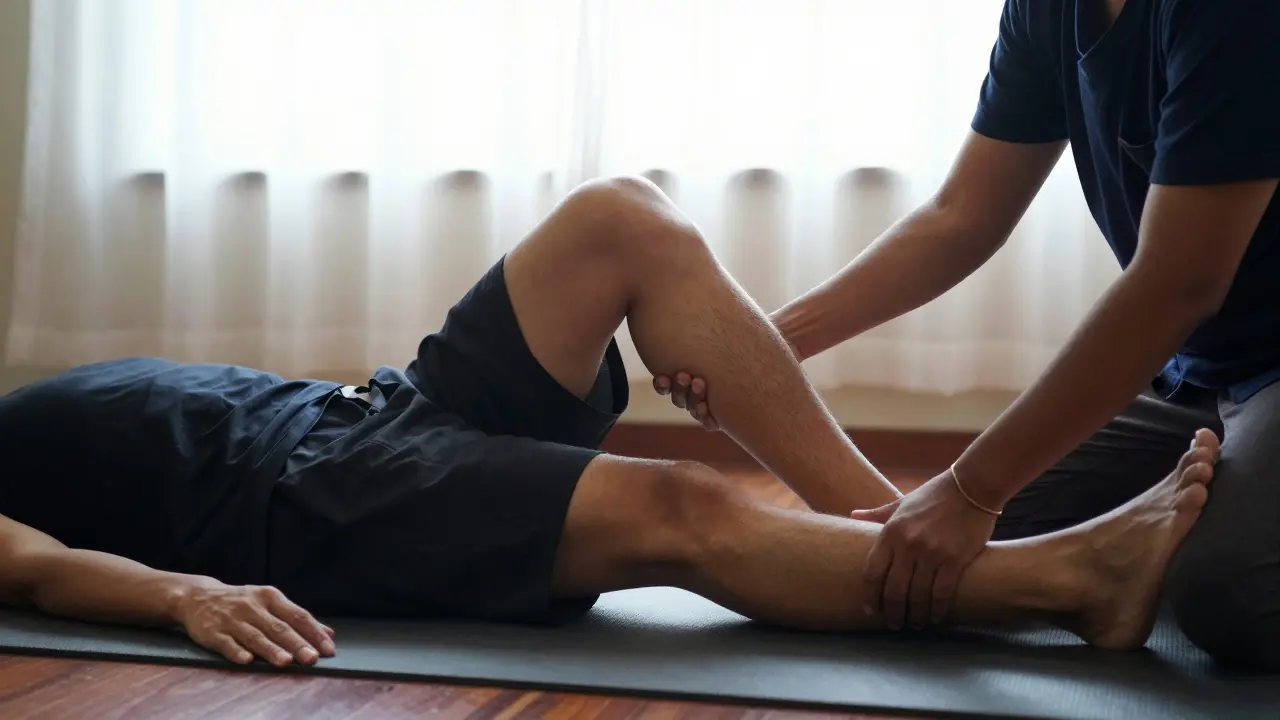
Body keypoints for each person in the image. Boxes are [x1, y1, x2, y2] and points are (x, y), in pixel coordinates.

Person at [0, 176, 1216, 667]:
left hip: (364, 414)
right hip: (297, 508)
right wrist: (179, 595)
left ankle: (872, 529)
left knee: (617, 218)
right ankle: (1054, 583)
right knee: (675, 505)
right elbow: (37, 568)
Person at [656, 0, 1280, 670]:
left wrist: (970, 487)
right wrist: (770, 346)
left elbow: (1177, 282)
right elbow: (960, 217)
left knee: (1228, 594)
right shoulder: (1048, 12)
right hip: (1198, 373)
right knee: (973, 553)